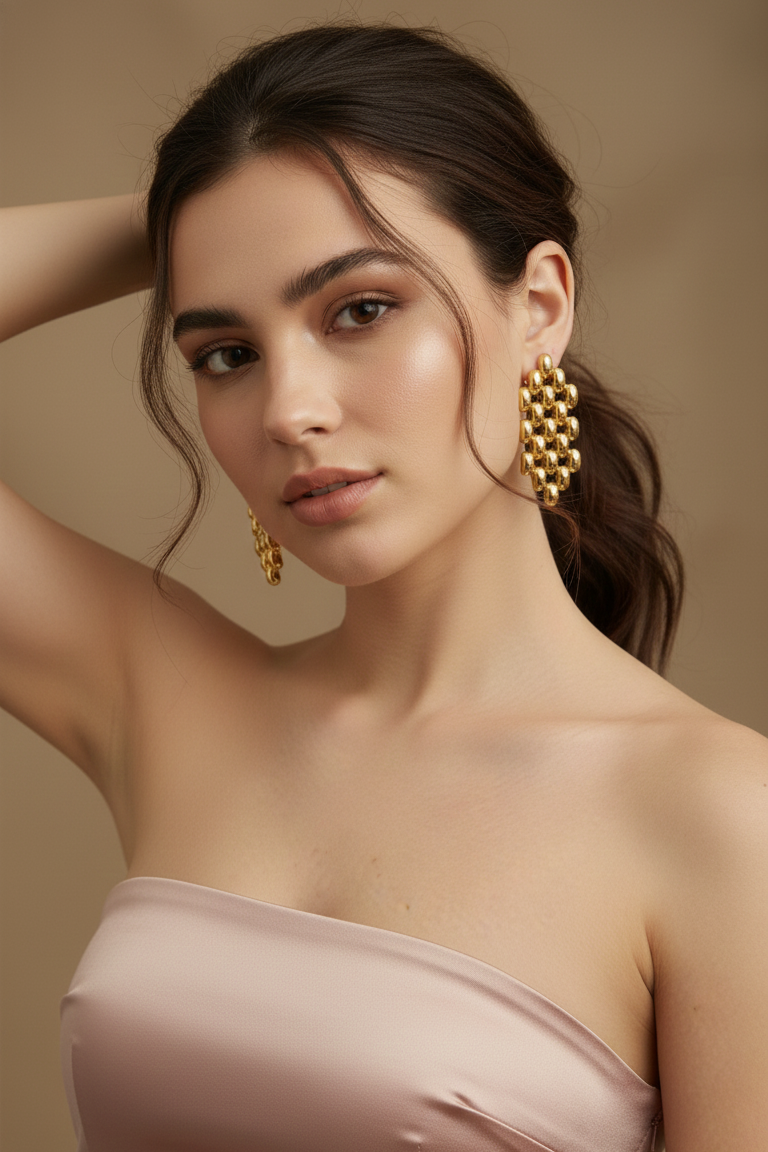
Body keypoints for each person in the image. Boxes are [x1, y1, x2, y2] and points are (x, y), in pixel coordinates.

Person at [1, 21, 766, 1152]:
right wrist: (191, 215)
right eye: (226, 351)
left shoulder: (720, 816)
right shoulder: (167, 700)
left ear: (539, 307)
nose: (288, 411)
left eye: (360, 308)